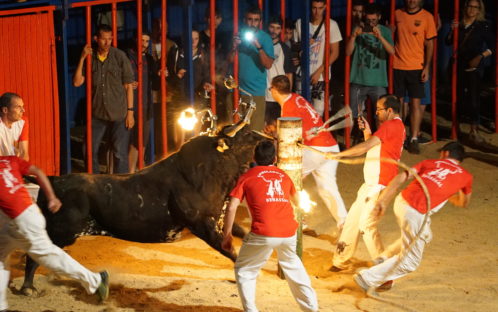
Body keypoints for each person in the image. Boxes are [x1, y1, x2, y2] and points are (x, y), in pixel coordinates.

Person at [353, 142, 473, 291]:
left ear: (445, 153)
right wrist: (448, 193)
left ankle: (383, 258)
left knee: (425, 235)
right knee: (411, 262)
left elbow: (399, 178)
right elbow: (464, 202)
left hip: (402, 202)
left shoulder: (430, 162)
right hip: (416, 212)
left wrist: (383, 201)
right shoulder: (466, 176)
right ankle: (367, 279)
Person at [0, 156, 110, 311]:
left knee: (50, 257)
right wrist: (51, 197)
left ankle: (96, 280)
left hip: (22, 222)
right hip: (28, 215)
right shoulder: (9, 160)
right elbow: (37, 171)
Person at [221, 140, 318, 312]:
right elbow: (298, 203)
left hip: (263, 233)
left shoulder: (248, 176)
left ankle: (251, 310)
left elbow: (232, 206)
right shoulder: (284, 176)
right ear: (275, 158)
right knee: (293, 267)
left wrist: (227, 234)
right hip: (288, 232)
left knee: (244, 270)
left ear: (254, 157)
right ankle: (312, 308)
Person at [327, 94, 405, 272]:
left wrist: (338, 155)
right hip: (372, 183)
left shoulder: (391, 126)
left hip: (378, 184)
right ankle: (341, 260)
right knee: (352, 221)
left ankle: (385, 269)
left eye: (379, 109)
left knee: (366, 226)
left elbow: (364, 148)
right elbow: (374, 145)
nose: (376, 112)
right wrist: (366, 131)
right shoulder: (394, 126)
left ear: (390, 110)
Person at [270, 75, 347, 231]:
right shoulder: (297, 98)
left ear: (274, 90)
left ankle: (297, 219)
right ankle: (344, 223)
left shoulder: (288, 108)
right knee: (327, 188)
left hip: (316, 150)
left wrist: (275, 138)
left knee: (287, 178)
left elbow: (290, 141)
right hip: (330, 147)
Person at [73, 24, 135, 173]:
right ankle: (96, 183)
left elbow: (129, 86)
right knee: (89, 150)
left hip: (119, 112)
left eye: (110, 39)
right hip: (98, 112)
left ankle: (122, 185)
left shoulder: (119, 56)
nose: (107, 43)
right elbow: (76, 82)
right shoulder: (90, 57)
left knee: (119, 153)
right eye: (104, 39)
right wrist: (82, 58)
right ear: (96, 39)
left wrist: (130, 112)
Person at [445, 0, 494, 143]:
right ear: (465, 8)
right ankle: (456, 129)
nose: (472, 9)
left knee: (474, 99)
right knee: (457, 98)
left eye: (475, 7)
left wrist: (480, 56)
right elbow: (448, 42)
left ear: (480, 10)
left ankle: (474, 130)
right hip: (458, 65)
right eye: (470, 6)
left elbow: (493, 46)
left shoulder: (483, 26)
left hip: (474, 66)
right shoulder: (458, 24)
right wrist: (452, 30)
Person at [392, 0, 437, 154]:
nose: (412, 1)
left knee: (415, 104)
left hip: (416, 67)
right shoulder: (397, 14)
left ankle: (413, 138)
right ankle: (399, 136)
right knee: (398, 105)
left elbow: (430, 44)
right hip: (398, 66)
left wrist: (427, 67)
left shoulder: (427, 17)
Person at [346, 4, 394, 123]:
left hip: (378, 82)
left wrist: (380, 37)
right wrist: (353, 36)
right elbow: (347, 52)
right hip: (358, 79)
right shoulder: (358, 29)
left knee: (381, 117)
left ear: (379, 17)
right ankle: (352, 139)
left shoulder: (385, 31)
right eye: (368, 20)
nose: (371, 23)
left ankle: (379, 140)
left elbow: (392, 52)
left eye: (374, 20)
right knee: (352, 115)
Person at [229, 6, 274, 131]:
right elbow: (229, 60)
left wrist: (258, 47)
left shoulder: (265, 38)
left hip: (255, 93)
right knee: (233, 132)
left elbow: (268, 64)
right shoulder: (237, 36)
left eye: (255, 20)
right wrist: (234, 47)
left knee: (254, 132)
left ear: (260, 22)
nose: (252, 23)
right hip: (236, 91)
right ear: (244, 20)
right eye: (250, 19)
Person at [294, 0, 342, 117]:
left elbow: (335, 53)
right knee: (300, 109)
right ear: (310, 8)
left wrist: (319, 71)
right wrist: (298, 55)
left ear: (325, 7)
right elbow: (295, 48)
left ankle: (313, 135)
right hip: (302, 74)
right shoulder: (300, 23)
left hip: (320, 75)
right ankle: (304, 135)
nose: (317, 12)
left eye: (320, 8)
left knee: (318, 112)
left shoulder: (331, 25)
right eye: (314, 8)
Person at [126, 32, 158, 173]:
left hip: (146, 104)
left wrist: (162, 74)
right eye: (142, 40)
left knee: (142, 141)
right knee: (130, 141)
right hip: (129, 104)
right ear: (135, 39)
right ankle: (130, 172)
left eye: (147, 41)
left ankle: (138, 170)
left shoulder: (150, 59)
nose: (144, 44)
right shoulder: (127, 56)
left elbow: (155, 83)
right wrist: (125, 83)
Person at [265, 16, 295, 125]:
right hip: (261, 94)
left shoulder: (285, 49)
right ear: (267, 27)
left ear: (281, 30)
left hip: (278, 96)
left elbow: (289, 73)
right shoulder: (260, 46)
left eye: (277, 28)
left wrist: (288, 97)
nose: (274, 31)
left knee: (275, 128)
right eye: (272, 27)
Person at [0, 93, 29, 161]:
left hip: (12, 165)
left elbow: (24, 153)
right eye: (18, 107)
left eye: (22, 106)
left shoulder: (22, 121)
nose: (23, 110)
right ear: (5, 110)